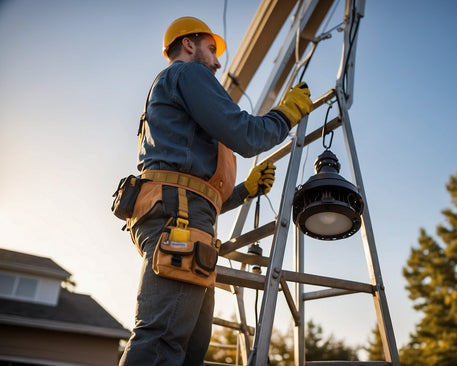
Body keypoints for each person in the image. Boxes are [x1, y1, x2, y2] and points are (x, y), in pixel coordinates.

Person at [119, 16, 312, 365]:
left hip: (179, 215)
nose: (219, 61)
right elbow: (246, 135)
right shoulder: (187, 74)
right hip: (179, 220)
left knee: (188, 347)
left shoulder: (169, 94)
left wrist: (242, 192)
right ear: (188, 45)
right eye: (211, 48)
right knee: (162, 341)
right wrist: (286, 115)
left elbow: (191, 189)